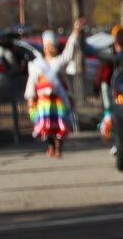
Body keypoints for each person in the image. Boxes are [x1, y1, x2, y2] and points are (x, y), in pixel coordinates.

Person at [26, 19, 86, 159]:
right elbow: (32, 82)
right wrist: (30, 98)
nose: (52, 48)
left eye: (53, 45)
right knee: (45, 125)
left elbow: (69, 54)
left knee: (59, 125)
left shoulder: (59, 62)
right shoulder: (37, 65)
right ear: (45, 47)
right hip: (43, 102)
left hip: (58, 99)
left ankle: (58, 147)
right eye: (49, 46)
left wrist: (75, 33)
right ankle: (51, 145)